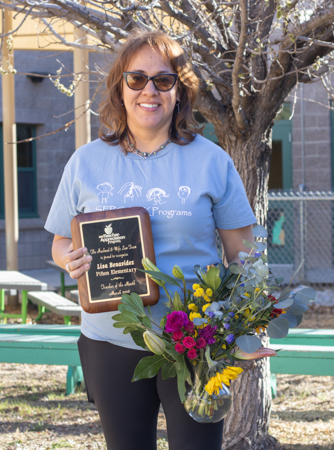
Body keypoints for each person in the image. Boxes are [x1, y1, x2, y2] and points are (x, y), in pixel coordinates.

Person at [45, 29, 261, 450]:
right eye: (137, 78)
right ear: (119, 87)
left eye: (164, 80)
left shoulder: (212, 161)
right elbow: (58, 243)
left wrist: (240, 331)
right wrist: (68, 260)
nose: (150, 90)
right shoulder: (85, 162)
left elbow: (243, 256)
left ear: (180, 91)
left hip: (196, 343)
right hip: (110, 341)